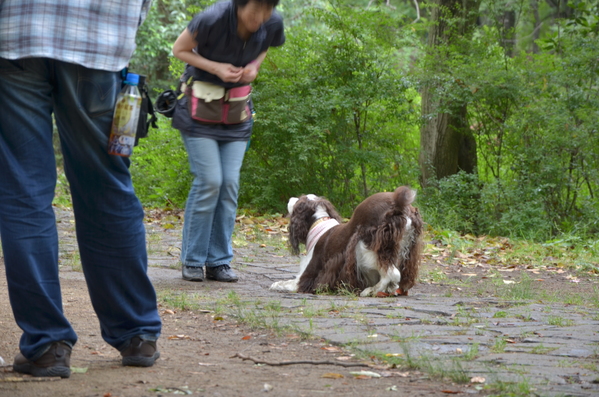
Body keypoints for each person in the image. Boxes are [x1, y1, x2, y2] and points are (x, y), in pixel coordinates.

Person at [0, 1, 162, 378]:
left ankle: (47, 344)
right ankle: (136, 333)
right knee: (106, 185)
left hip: (17, 34)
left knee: (24, 190)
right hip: (98, 38)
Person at [172, 0, 285, 282]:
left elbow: (266, 46)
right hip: (199, 110)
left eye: (267, 10)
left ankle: (219, 261)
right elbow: (179, 49)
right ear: (239, 5)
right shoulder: (212, 18)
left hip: (236, 114)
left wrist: (255, 66)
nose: (260, 18)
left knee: (229, 183)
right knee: (210, 180)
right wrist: (217, 68)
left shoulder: (272, 22)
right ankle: (193, 260)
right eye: (254, 10)